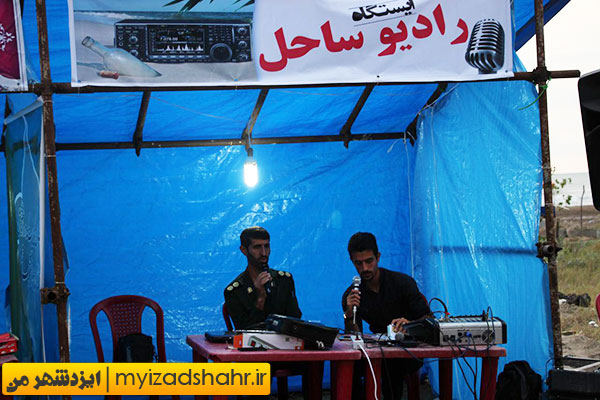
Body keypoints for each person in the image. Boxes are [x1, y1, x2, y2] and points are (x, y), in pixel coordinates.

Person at [342, 232, 431, 400]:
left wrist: (409, 325)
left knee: (392, 366)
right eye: (358, 263)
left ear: (378, 257)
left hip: (408, 351)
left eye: (369, 261)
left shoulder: (402, 283)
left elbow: (428, 319)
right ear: (352, 262)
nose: (365, 268)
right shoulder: (352, 295)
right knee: (350, 365)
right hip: (376, 352)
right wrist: (348, 314)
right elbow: (353, 337)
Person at [224, 226, 302, 330]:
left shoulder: (284, 281)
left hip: (285, 339)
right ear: (244, 250)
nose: (264, 253)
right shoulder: (235, 291)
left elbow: (295, 321)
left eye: (267, 246)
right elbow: (244, 331)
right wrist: (260, 299)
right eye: (257, 247)